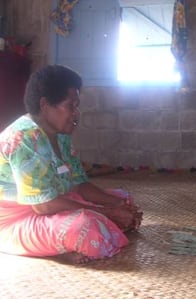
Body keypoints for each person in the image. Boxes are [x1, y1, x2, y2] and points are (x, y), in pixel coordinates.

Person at [0, 64, 143, 264]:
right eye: (71, 106)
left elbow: (79, 184)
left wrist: (118, 205)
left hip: (53, 203)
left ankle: (67, 240)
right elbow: (43, 205)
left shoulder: (60, 135)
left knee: (122, 197)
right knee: (87, 228)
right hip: (14, 221)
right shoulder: (25, 138)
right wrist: (108, 213)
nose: (76, 114)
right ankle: (59, 247)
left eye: (77, 106)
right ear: (45, 105)